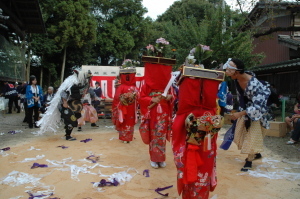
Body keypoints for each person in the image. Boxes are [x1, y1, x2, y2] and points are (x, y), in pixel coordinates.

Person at [172, 60, 223, 199]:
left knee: (194, 168)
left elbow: (176, 129)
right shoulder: (211, 111)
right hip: (205, 142)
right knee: (203, 168)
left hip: (195, 141)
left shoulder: (185, 113)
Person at [223, 58, 271, 172]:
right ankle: (256, 153)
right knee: (241, 135)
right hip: (245, 110)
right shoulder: (236, 80)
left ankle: (249, 160)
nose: (227, 73)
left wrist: (240, 113)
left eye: (229, 71)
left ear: (237, 72)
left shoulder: (255, 84)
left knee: (251, 136)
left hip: (257, 113)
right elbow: (242, 98)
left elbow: (258, 106)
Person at [37, 69, 92, 141]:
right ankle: (68, 136)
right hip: (66, 104)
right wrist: (65, 102)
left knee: (76, 117)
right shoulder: (72, 83)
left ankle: (68, 133)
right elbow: (63, 92)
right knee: (71, 119)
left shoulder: (81, 83)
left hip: (73, 104)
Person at [139, 62, 174, 169]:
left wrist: (169, 97)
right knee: (154, 136)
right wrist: (151, 99)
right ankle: (154, 158)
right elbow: (141, 98)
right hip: (153, 113)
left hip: (164, 113)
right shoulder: (147, 85)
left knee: (161, 136)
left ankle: (161, 158)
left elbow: (173, 96)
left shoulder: (167, 85)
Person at [112, 69, 138, 143]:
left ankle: (128, 137)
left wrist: (134, 96)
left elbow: (139, 96)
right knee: (123, 121)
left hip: (131, 108)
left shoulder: (134, 87)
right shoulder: (122, 86)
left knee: (129, 121)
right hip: (123, 107)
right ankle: (124, 137)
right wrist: (124, 97)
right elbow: (117, 97)